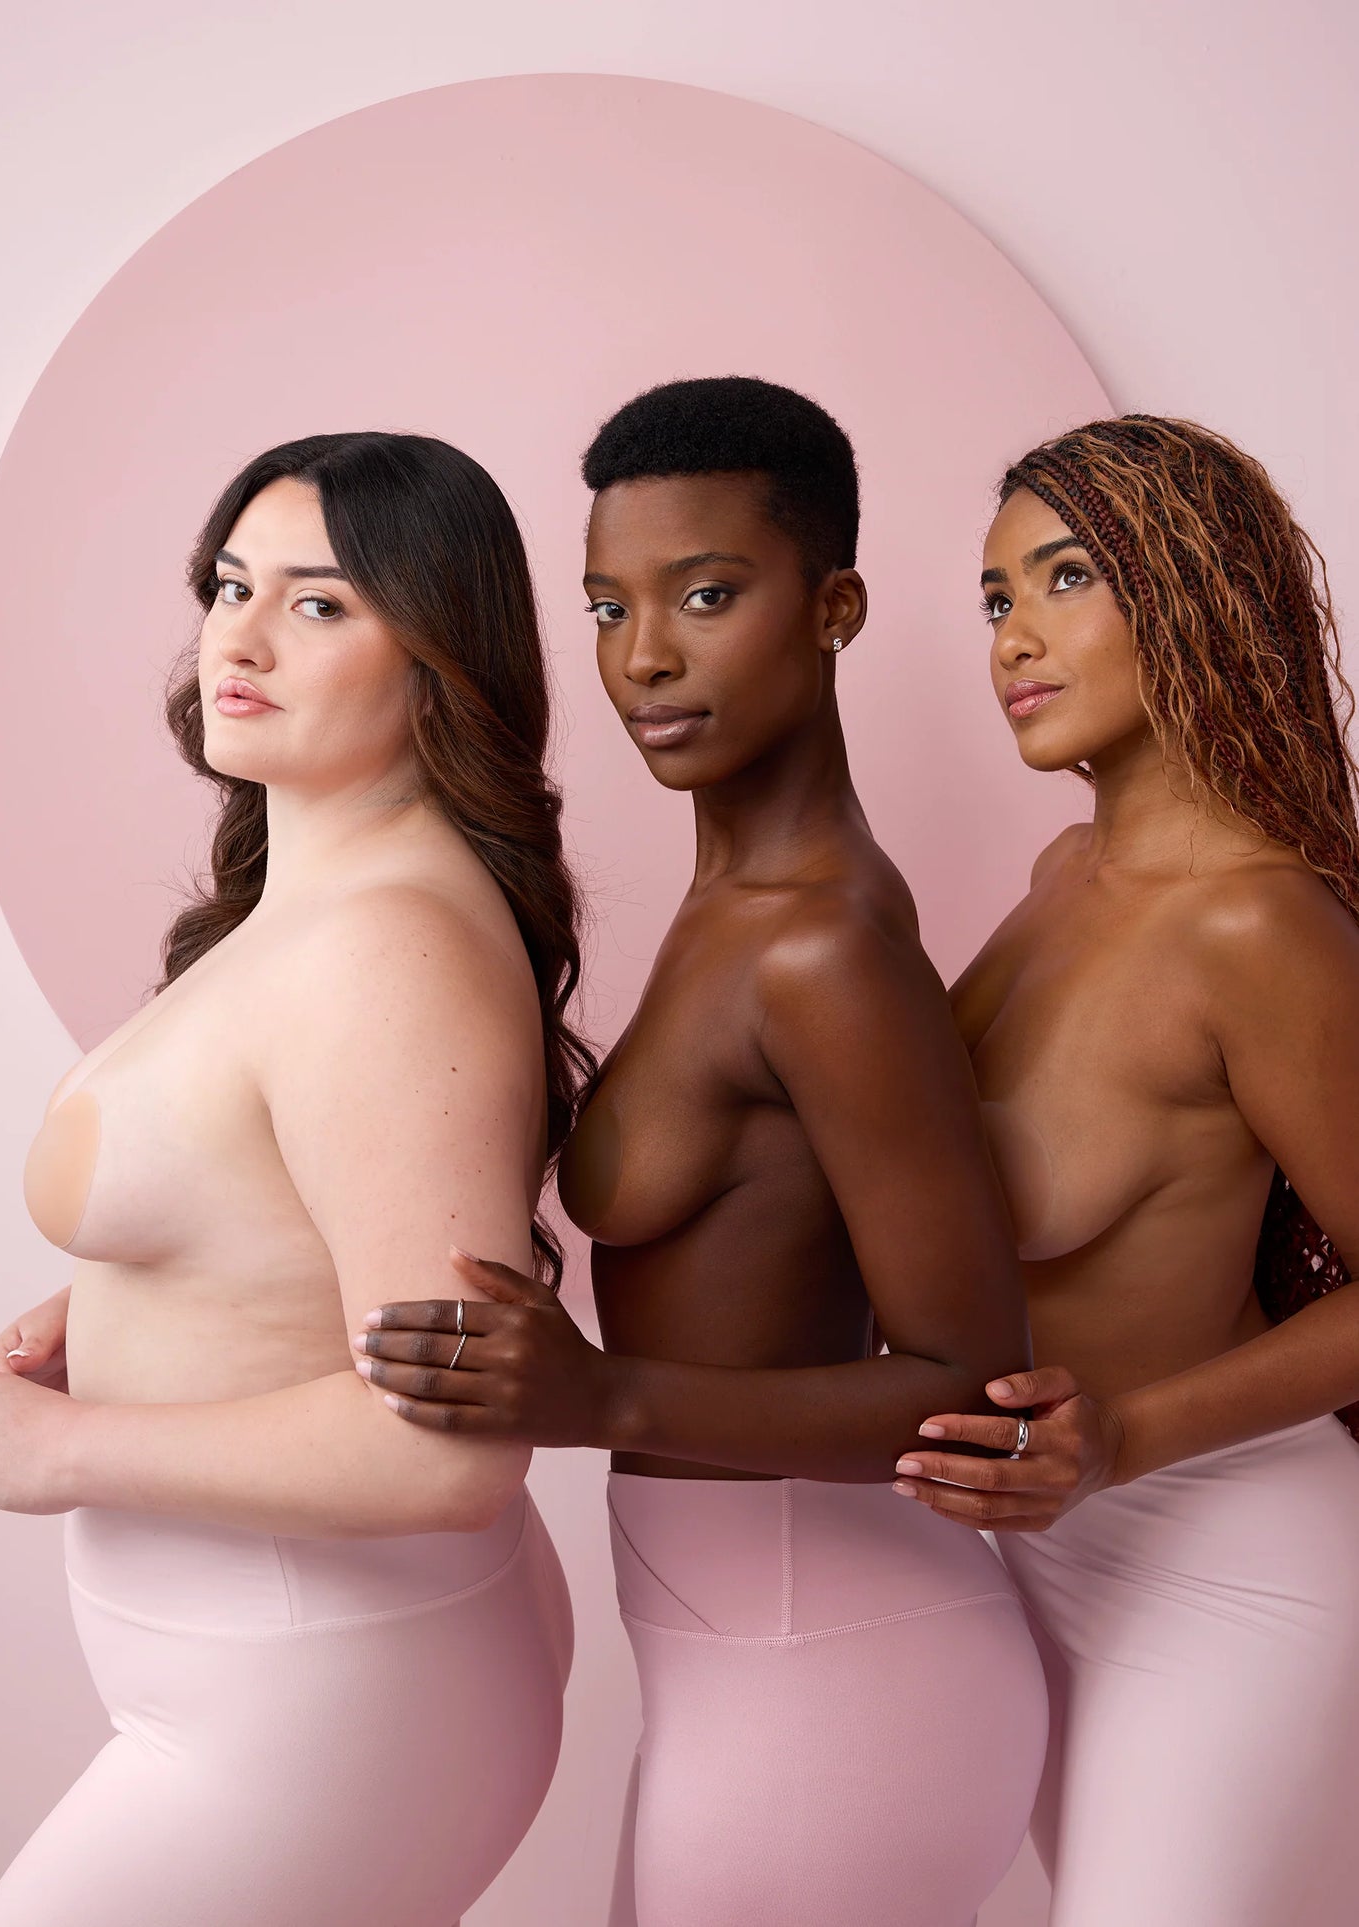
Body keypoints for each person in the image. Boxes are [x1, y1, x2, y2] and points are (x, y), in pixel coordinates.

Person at [357, 378, 1048, 1927]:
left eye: (708, 595)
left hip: (838, 1664)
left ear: (834, 607)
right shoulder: (726, 912)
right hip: (750, 1660)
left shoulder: (821, 948)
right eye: (607, 604)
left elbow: (969, 1384)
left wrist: (602, 1396)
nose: (644, 656)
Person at [0, 432, 584, 1927]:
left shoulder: (386, 950)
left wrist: (63, 1452)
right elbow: (292, 1208)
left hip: (323, 1700)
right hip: (291, 1682)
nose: (237, 635)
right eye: (231, 585)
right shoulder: (312, 908)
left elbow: (445, 1446)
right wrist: (120, 1304)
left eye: (318, 603)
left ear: (439, 653)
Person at [892, 416, 1359, 1925]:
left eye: (1063, 577)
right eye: (990, 600)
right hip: (1022, 1546)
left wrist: (1125, 1441)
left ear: (1192, 591)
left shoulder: (1255, 928)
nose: (1011, 637)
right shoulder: (1061, 879)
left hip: (1218, 1551)